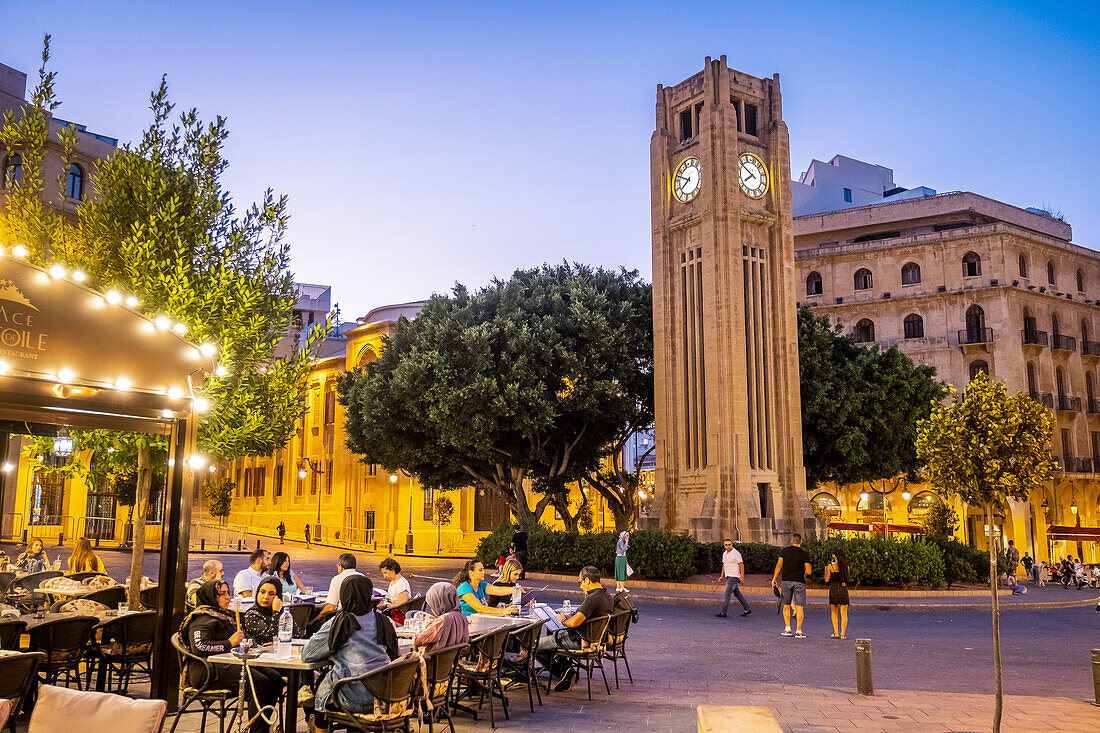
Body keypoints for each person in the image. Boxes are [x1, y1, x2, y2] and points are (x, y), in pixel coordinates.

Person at [180, 580, 283, 733]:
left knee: (275, 679)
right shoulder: (202, 618)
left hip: (227, 665)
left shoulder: (222, 615)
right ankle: (255, 730)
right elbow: (200, 647)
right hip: (206, 671)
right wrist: (229, 643)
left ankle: (262, 727)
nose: (228, 597)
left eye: (227, 593)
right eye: (222, 594)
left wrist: (246, 642)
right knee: (260, 682)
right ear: (210, 597)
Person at [301, 575, 399, 733]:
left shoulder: (340, 622)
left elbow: (307, 654)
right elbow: (395, 655)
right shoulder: (383, 621)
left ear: (343, 596)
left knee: (322, 696)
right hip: (383, 696)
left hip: (352, 696)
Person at [535, 565, 614, 691]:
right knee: (551, 643)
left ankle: (565, 672)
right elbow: (584, 616)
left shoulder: (592, 598)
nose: (581, 586)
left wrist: (563, 620)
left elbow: (574, 623)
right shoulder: (607, 596)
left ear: (587, 580)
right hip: (594, 639)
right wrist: (572, 616)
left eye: (581, 582)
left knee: (536, 646)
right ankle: (565, 670)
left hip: (579, 640)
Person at [771, 533, 812, 639]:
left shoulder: (784, 551)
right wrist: (802, 571)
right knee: (799, 607)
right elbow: (809, 571)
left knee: (786, 605)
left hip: (786, 580)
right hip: (799, 581)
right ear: (801, 541)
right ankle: (799, 631)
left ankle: (787, 628)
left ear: (791, 540)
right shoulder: (804, 553)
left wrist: (774, 578)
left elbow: (779, 566)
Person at [413, 582, 470, 652]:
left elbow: (418, 640)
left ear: (438, 602)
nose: (432, 609)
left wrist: (429, 624)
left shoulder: (442, 621)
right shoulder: (461, 616)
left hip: (433, 661)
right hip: (452, 659)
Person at [453, 560, 519, 616]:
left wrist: (514, 589)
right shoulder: (464, 588)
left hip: (478, 620)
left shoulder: (481, 584)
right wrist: (503, 611)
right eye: (480, 570)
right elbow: (479, 608)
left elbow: (497, 590)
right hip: (466, 623)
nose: (484, 572)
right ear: (471, 573)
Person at [241, 577, 285, 644]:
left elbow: (296, 635)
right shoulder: (251, 615)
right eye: (262, 592)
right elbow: (270, 637)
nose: (265, 597)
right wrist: (276, 613)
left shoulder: (282, 612)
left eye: (271, 594)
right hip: (261, 653)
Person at [715, 538, 751, 618]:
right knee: (737, 594)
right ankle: (747, 609)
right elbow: (724, 565)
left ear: (732, 545)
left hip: (734, 577)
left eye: (729, 544)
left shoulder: (736, 553)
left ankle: (723, 612)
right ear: (724, 546)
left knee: (727, 594)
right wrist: (721, 576)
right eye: (726, 545)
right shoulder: (725, 553)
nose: (728, 546)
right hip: (728, 576)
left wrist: (742, 577)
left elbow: (741, 565)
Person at [825, 549, 850, 639]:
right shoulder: (846, 567)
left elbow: (827, 579)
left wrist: (827, 572)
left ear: (835, 556)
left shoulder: (830, 566)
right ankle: (843, 634)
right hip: (843, 589)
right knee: (844, 613)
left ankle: (836, 632)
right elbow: (847, 578)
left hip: (834, 588)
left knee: (834, 612)